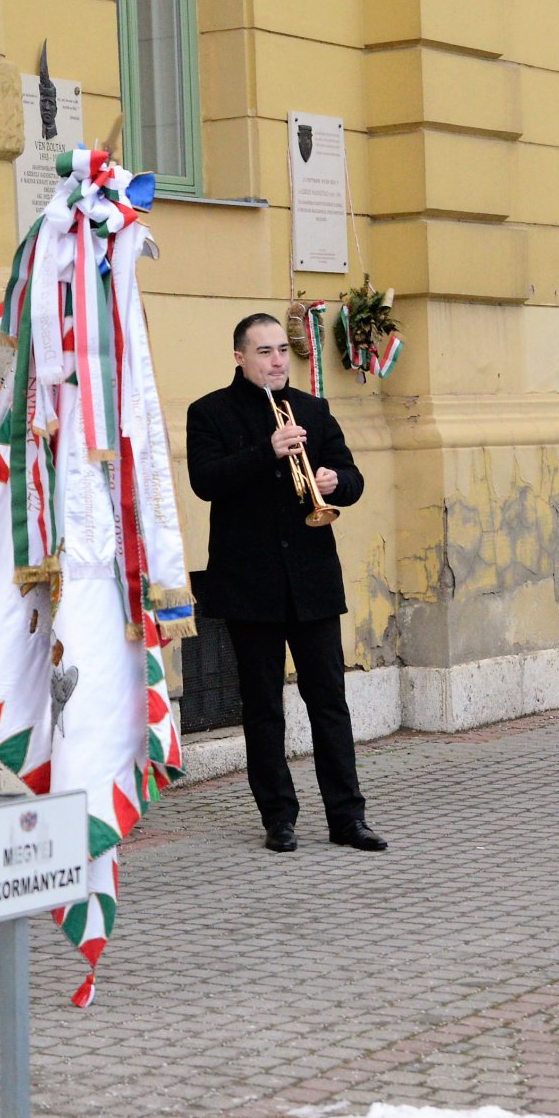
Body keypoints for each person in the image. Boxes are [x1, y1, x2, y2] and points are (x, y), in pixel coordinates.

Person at [185, 313, 388, 855]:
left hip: (312, 581)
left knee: (330, 703)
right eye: (265, 352)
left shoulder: (313, 410)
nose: (278, 361)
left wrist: (336, 481)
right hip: (249, 584)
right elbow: (205, 480)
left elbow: (353, 478)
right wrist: (266, 450)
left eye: (282, 350)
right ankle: (278, 817)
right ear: (240, 357)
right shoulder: (209, 412)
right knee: (263, 707)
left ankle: (348, 817)